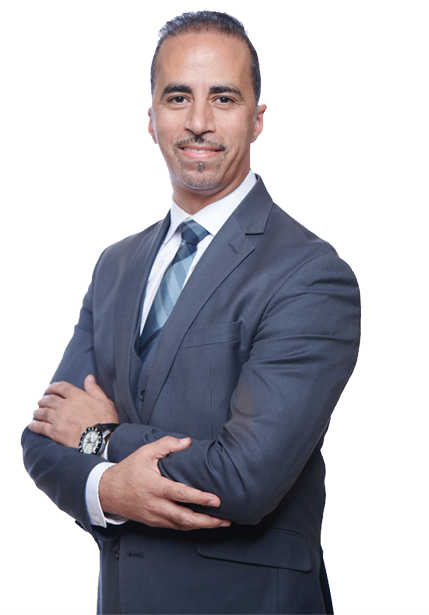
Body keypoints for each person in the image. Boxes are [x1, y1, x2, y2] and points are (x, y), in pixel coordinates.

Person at [22, 10, 361, 615]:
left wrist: (100, 438)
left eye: (223, 98)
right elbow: (45, 437)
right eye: (178, 97)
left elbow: (245, 479)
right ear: (151, 120)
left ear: (257, 119)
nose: (199, 121)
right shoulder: (116, 265)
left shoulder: (309, 274)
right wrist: (110, 491)